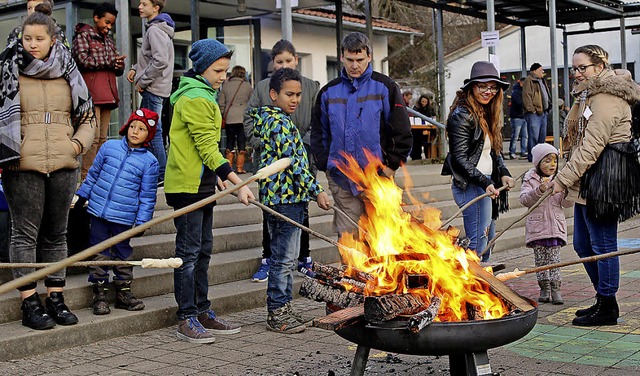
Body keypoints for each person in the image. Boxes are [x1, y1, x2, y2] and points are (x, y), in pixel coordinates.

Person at [0, 6, 95, 330]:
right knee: (24, 235)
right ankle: (29, 301)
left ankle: (56, 296)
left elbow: (88, 117)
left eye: (39, 38)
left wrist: (76, 146)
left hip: (63, 165)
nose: (33, 44)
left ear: (53, 40)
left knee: (57, 234)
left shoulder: (69, 71)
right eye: (27, 38)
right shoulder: (8, 70)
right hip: (21, 165)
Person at [165, 38, 254, 343]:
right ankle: (186, 316)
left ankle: (202, 310)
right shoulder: (195, 99)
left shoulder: (206, 94)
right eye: (218, 70)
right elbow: (206, 147)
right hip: (187, 188)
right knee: (188, 255)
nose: (222, 77)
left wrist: (214, 178)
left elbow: (204, 148)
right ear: (202, 68)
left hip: (202, 183)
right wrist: (236, 182)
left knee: (203, 251)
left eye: (225, 71)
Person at [551, 44, 640, 326]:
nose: (576, 73)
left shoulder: (607, 98)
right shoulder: (589, 94)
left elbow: (591, 146)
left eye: (582, 68)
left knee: (603, 245)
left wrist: (562, 180)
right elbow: (574, 136)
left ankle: (608, 305)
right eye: (573, 68)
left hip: (606, 176)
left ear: (599, 67)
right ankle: (602, 298)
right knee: (582, 244)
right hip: (588, 177)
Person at [250, 67, 331, 333]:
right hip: (284, 199)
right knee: (283, 258)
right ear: (273, 94)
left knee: (289, 256)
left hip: (291, 197)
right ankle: (277, 312)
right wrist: (316, 190)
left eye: (298, 95)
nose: (295, 99)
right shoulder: (278, 123)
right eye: (288, 94)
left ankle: (284, 305)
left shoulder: (283, 120)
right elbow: (294, 165)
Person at [311, 31, 412, 236]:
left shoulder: (386, 87)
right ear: (341, 57)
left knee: (382, 234)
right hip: (341, 176)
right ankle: (351, 269)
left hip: (378, 176)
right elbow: (318, 131)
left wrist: (391, 166)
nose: (354, 65)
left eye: (359, 60)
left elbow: (401, 130)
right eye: (350, 60)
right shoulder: (328, 92)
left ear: (369, 57)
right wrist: (326, 164)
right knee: (349, 235)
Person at [244, 39, 320, 282]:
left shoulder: (310, 86)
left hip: (302, 160)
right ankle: (272, 265)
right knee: (277, 225)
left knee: (301, 215)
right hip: (276, 175)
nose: (283, 64)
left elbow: (318, 121)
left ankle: (303, 259)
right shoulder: (264, 90)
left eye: (288, 60)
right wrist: (269, 143)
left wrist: (303, 145)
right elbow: (250, 121)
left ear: (296, 60)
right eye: (279, 61)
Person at [75, 109, 159, 315]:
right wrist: (82, 196)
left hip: (124, 216)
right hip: (98, 212)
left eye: (141, 129)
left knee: (122, 252)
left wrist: (142, 222)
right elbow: (93, 175)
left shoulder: (150, 162)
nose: (135, 132)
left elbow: (147, 196)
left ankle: (123, 293)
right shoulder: (109, 147)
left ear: (149, 134)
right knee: (98, 251)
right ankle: (100, 294)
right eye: (132, 126)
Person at [440, 61, 515, 262]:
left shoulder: (487, 111)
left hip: (486, 181)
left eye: (493, 87)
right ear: (472, 87)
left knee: (488, 239)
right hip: (471, 185)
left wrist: (504, 172)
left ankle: (481, 285)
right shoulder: (462, 115)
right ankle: (472, 287)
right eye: (482, 86)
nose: (488, 91)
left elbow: (494, 151)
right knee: (477, 243)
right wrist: (486, 183)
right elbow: (460, 159)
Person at [72, 2, 126, 180]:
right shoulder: (83, 35)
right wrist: (109, 63)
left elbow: (114, 68)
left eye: (112, 24)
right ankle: (86, 176)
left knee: (103, 138)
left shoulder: (108, 40)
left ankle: (99, 176)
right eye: (107, 22)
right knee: (92, 139)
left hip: (108, 94)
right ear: (96, 18)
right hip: (91, 94)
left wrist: (119, 65)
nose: (109, 27)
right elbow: (81, 60)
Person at [126, 0, 174, 184]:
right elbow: (151, 58)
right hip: (157, 87)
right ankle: (156, 171)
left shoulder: (155, 30)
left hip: (153, 88)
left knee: (150, 130)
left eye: (144, 3)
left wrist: (143, 81)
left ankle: (161, 173)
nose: (139, 6)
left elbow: (160, 61)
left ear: (156, 7)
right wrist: (135, 68)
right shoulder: (159, 27)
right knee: (150, 128)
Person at [519, 143, 571, 304]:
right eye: (547, 161)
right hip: (537, 228)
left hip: (555, 227)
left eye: (554, 161)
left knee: (554, 260)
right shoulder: (530, 179)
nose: (552, 165)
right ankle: (544, 288)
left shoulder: (560, 179)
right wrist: (539, 190)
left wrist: (567, 191)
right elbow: (524, 200)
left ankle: (556, 289)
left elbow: (567, 204)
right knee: (541, 261)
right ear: (538, 163)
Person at [219, 65, 252, 174]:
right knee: (241, 142)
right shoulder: (248, 86)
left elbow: (221, 103)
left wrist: (224, 114)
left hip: (230, 118)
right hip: (243, 118)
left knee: (230, 142)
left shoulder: (226, 86)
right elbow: (252, 103)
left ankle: (229, 169)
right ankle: (239, 167)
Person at [523, 63, 551, 162]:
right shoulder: (529, 81)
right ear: (534, 71)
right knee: (534, 136)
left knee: (542, 136)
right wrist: (532, 110)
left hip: (543, 112)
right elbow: (527, 96)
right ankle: (532, 157)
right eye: (540, 70)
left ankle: (540, 156)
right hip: (534, 113)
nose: (543, 72)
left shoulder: (541, 80)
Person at [410, 94, 436, 160]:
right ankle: (416, 155)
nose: (424, 103)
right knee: (416, 137)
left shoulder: (430, 109)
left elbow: (432, 116)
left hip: (427, 127)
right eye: (422, 102)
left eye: (425, 102)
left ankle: (429, 155)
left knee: (430, 136)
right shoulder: (416, 108)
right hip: (417, 128)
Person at [508, 77, 528, 160]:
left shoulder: (519, 91)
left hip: (522, 116)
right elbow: (519, 103)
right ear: (522, 83)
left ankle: (523, 151)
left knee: (524, 136)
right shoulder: (516, 92)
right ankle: (512, 152)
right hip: (517, 117)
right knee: (516, 136)